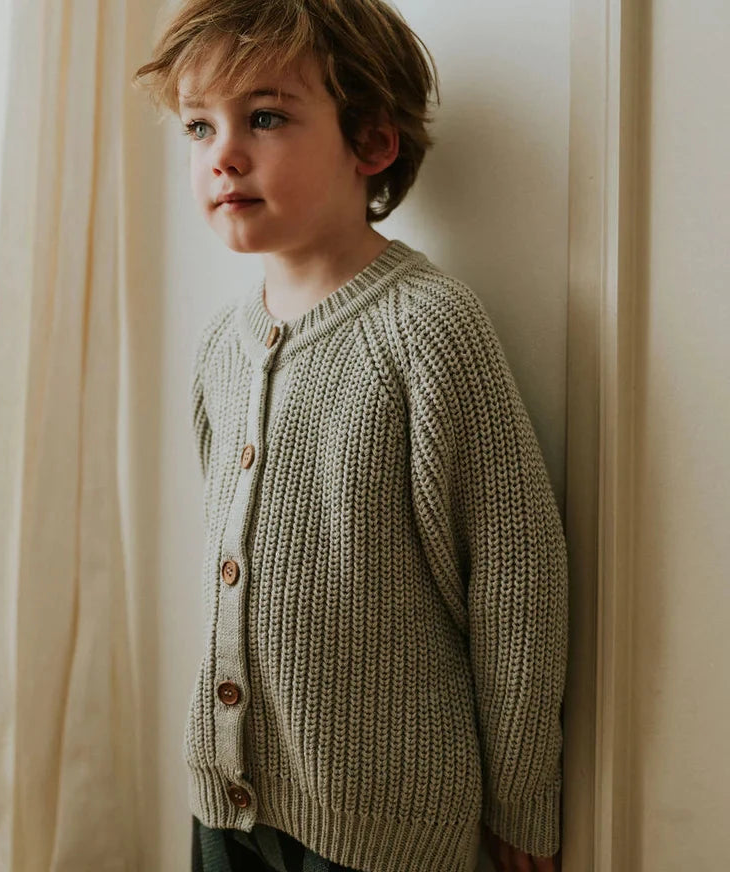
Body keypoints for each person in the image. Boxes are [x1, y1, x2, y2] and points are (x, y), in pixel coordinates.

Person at [132, 2, 569, 871]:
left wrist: (523, 798)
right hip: (227, 795)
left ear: (371, 143)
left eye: (264, 117)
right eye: (197, 126)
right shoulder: (224, 344)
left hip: (385, 819)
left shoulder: (427, 326)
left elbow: (517, 579)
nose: (222, 153)